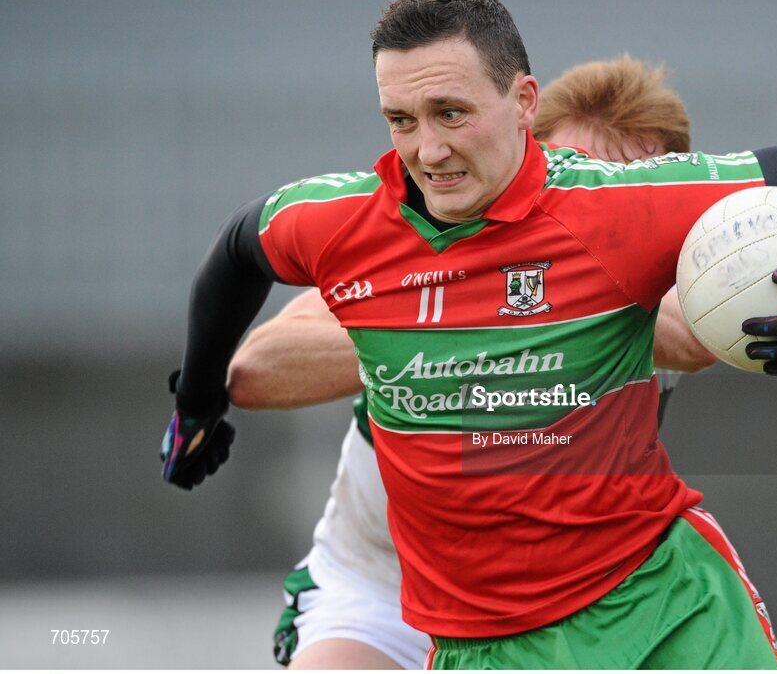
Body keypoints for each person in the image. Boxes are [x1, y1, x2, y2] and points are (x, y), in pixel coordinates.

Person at [161, 0, 777, 669]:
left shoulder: (646, 261)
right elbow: (253, 366)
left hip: (620, 592)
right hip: (384, 593)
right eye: (404, 119)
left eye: (450, 113)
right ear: (534, 132)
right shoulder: (376, 244)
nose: (428, 147)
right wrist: (203, 396)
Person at [227, 55, 713, 669]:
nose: (598, 210)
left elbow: (703, 335)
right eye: (578, 178)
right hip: (382, 592)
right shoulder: (413, 267)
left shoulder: (664, 293)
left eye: (622, 192)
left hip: (566, 609)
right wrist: (430, 338)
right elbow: (253, 370)